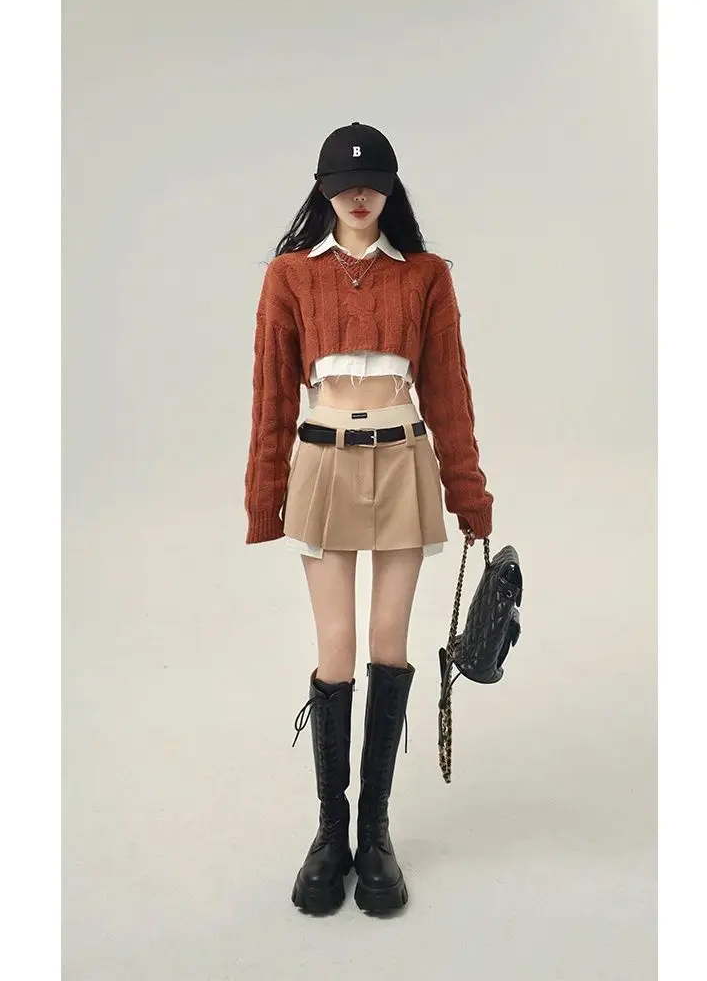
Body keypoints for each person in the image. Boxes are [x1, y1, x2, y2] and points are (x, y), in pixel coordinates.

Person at [244, 121, 493, 914]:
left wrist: (470, 494)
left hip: (403, 459)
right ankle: (331, 831)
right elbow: (272, 393)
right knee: (337, 647)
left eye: (373, 182)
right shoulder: (290, 275)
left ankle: (374, 833)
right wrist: (263, 495)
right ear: (323, 190)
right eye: (345, 183)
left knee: (389, 642)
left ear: (391, 187)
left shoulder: (426, 276)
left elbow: (448, 391)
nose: (359, 195)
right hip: (322, 463)